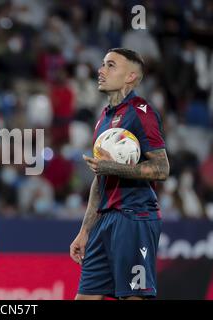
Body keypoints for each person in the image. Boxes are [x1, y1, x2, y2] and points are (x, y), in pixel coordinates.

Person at [70, 48, 170, 300]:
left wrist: (111, 168)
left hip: (134, 217)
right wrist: (85, 231)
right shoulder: (103, 118)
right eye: (103, 64)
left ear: (130, 76)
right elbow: (99, 178)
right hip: (104, 221)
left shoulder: (141, 111)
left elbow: (161, 169)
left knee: (133, 297)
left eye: (111, 65)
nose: (101, 70)